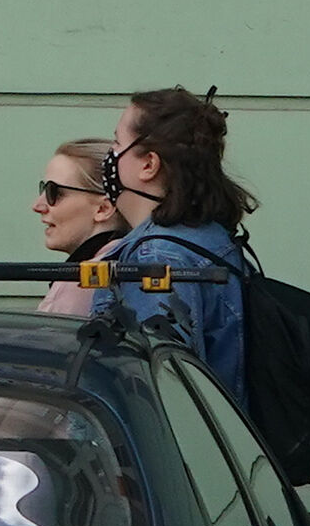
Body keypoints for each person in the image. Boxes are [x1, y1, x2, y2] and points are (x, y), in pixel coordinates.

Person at [92, 87, 256, 390]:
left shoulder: (156, 257)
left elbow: (159, 387)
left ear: (148, 165)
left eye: (117, 142)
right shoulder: (211, 238)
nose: (110, 155)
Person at [30, 141, 125, 319]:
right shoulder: (135, 262)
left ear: (103, 209)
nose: (37, 206)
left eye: (54, 192)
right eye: (43, 189)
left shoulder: (81, 282)